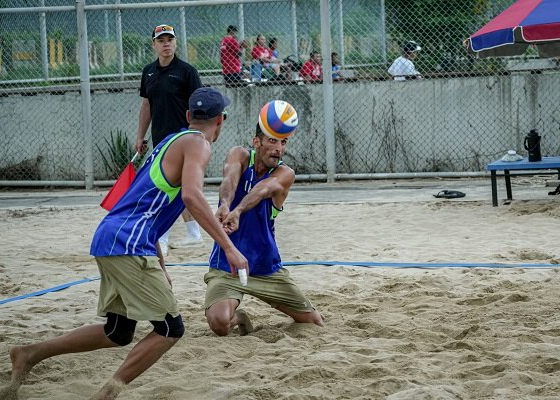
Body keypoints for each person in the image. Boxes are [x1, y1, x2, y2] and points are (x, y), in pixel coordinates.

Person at [3, 87, 249, 400]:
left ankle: (29, 353)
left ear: (188, 116)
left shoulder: (166, 143)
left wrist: (160, 264)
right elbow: (192, 196)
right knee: (170, 329)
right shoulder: (198, 143)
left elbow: (145, 207)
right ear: (221, 121)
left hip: (111, 236)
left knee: (117, 332)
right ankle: (107, 393)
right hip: (127, 243)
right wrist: (229, 246)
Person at [204, 104, 324, 337]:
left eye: (284, 142)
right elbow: (229, 179)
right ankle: (241, 318)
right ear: (256, 142)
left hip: (265, 268)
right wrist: (225, 205)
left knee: (314, 323)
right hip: (227, 266)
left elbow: (261, 190)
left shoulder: (285, 174)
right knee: (219, 323)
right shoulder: (239, 154)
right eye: (273, 141)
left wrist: (237, 211)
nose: (279, 148)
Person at [135, 24, 204, 256]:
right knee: (176, 187)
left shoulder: (187, 71)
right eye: (161, 40)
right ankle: (193, 234)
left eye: (169, 39)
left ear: (175, 43)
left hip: (184, 140)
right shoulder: (149, 72)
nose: (166, 44)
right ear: (154, 44)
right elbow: (146, 105)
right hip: (160, 141)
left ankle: (162, 237)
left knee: (171, 187)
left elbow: (199, 105)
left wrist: (199, 137)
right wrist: (140, 136)